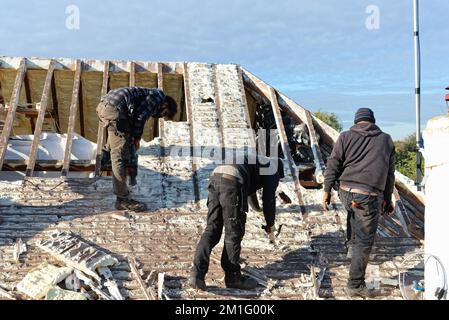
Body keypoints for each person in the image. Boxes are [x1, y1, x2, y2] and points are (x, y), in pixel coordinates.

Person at [322, 107, 395, 298]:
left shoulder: (345, 136)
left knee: (353, 213)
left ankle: (351, 248)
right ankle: (355, 285)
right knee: (365, 240)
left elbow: (333, 163)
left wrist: (327, 190)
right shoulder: (386, 140)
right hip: (367, 195)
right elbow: (389, 174)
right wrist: (387, 199)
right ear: (373, 121)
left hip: (345, 192)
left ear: (356, 122)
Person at [189, 156, 284, 290]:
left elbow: (250, 192)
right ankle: (233, 277)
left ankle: (197, 274)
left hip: (216, 176)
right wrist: (270, 224)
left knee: (212, 229)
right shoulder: (272, 170)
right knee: (233, 231)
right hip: (233, 181)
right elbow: (269, 199)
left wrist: (257, 209)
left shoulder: (257, 163)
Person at [96, 87, 177, 212]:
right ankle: (122, 199)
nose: (160, 116)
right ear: (165, 104)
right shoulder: (157, 98)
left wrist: (131, 138)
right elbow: (140, 117)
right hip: (115, 110)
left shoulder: (150, 94)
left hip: (103, 106)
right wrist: (136, 139)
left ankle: (105, 160)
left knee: (117, 135)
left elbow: (133, 116)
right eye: (164, 113)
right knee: (119, 155)